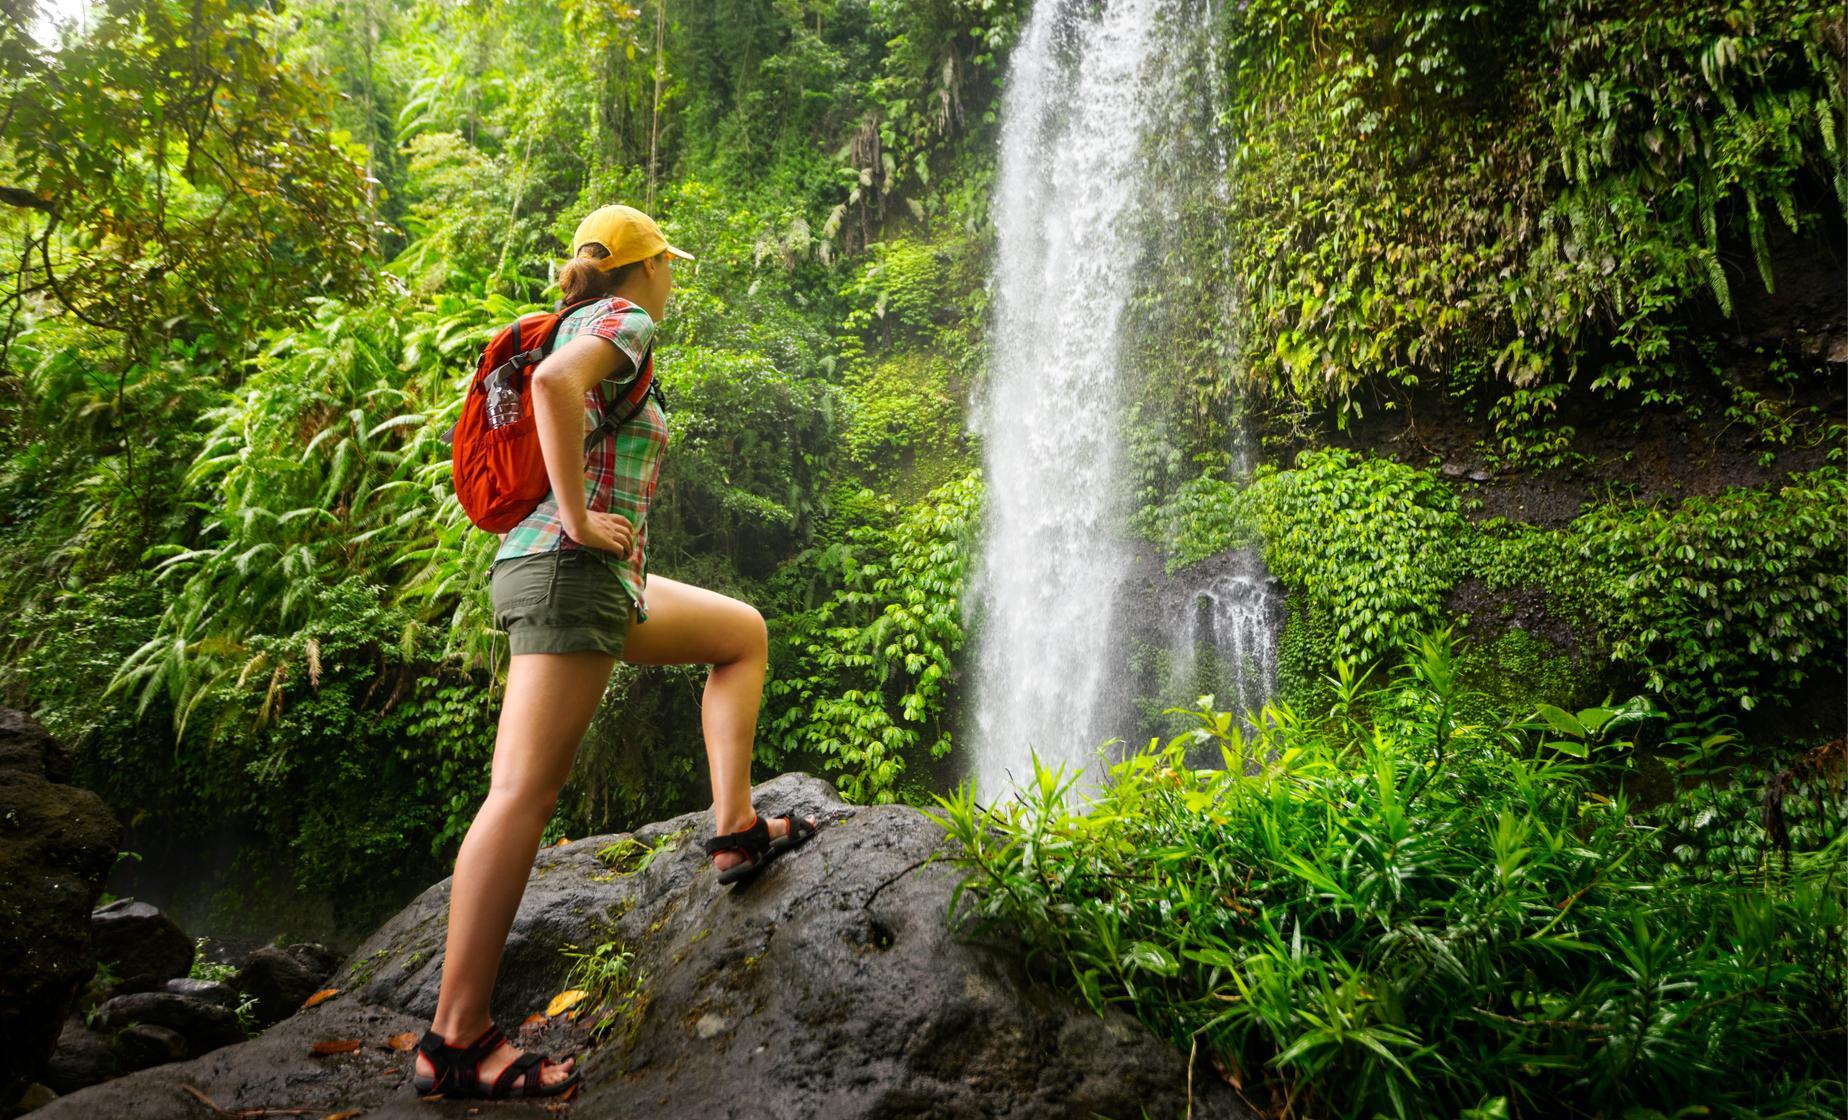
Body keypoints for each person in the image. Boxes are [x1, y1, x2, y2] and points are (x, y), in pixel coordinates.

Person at [411, 205, 819, 1100]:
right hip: (570, 569)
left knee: (739, 632)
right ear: (643, 269)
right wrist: (579, 515)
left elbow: (559, 393)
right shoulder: (619, 322)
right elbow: (557, 387)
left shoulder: (572, 320)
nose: (672, 278)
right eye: (667, 263)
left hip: (590, 576)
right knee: (521, 794)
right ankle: (455, 1039)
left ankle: (735, 831)